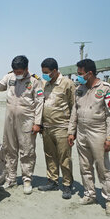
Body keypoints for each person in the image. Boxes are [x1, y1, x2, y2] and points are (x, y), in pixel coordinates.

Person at [0, 55, 44, 194]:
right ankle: (11, 178)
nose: (17, 74)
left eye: (20, 72)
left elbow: (39, 103)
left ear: (26, 69)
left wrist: (37, 123)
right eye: (15, 71)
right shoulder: (10, 78)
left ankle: (27, 180)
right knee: (9, 149)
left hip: (27, 120)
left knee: (27, 150)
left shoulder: (35, 81)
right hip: (10, 119)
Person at [67, 59, 110, 217]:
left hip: (98, 132)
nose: (78, 76)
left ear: (89, 73)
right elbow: (75, 111)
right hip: (81, 132)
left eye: (80, 73)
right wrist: (71, 132)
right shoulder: (79, 89)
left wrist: (109, 138)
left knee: (103, 167)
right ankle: (89, 194)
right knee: (85, 166)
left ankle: (109, 200)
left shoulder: (106, 89)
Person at [38, 58, 76, 199]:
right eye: (43, 73)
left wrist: (72, 130)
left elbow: (74, 108)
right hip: (46, 127)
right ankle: (52, 181)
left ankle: (67, 185)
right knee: (50, 156)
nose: (44, 75)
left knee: (64, 157)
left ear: (55, 71)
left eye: (46, 73)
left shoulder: (67, 83)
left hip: (62, 127)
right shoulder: (45, 84)